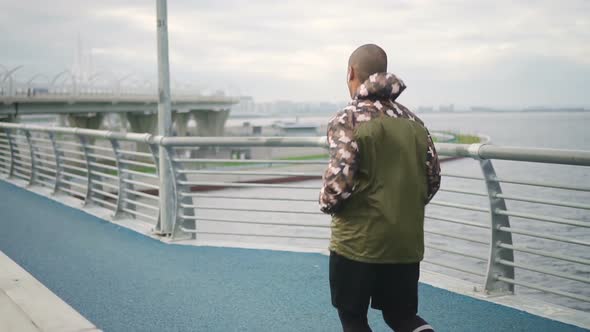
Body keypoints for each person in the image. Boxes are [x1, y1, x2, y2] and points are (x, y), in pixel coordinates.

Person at [319, 44, 441, 332]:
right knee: (402, 317)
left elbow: (338, 185)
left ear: (351, 73)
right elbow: (433, 178)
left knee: (353, 318)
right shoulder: (413, 122)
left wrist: (325, 203)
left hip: (357, 243)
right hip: (404, 241)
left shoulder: (347, 119)